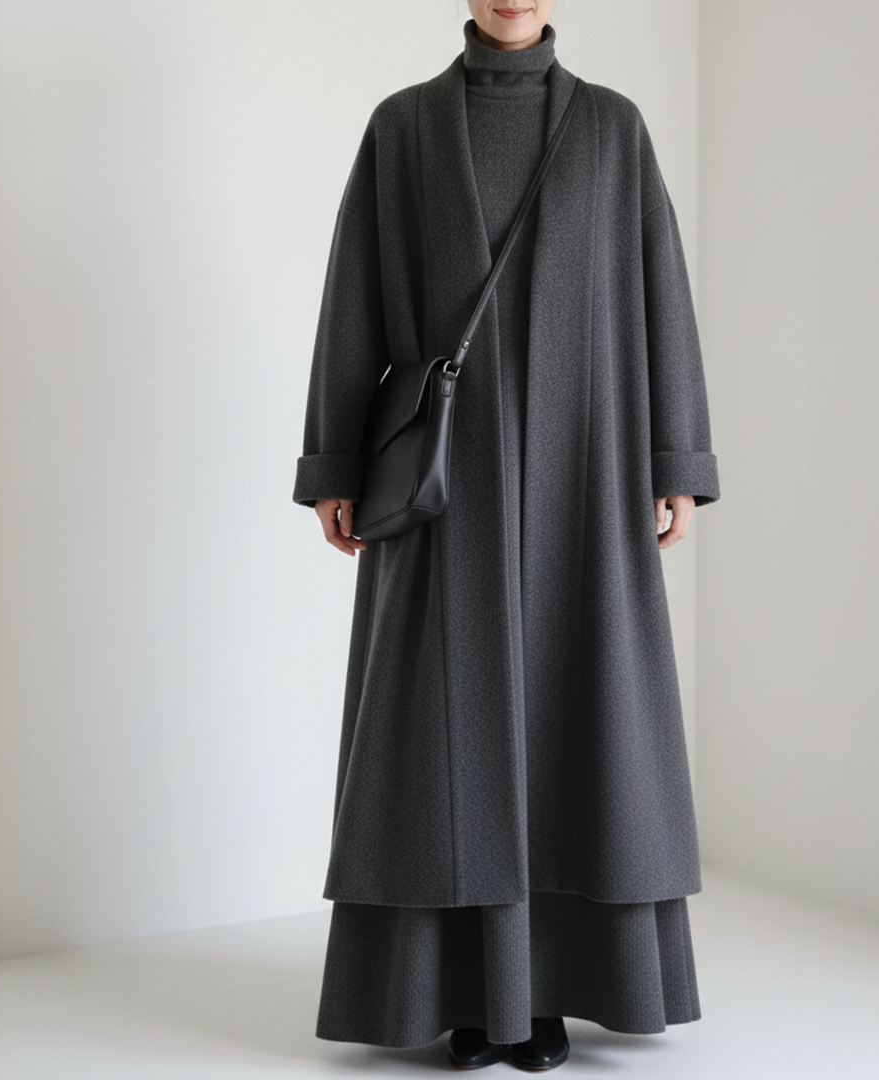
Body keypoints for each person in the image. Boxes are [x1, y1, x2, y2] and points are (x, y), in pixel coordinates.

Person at [292, 0, 719, 1070]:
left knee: (584, 723)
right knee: (438, 738)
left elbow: (662, 294)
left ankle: (555, 992)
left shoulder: (613, 129)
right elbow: (353, 296)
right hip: (441, 489)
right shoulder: (402, 128)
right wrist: (334, 464)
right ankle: (460, 997)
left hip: (587, 477)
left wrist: (676, 460)